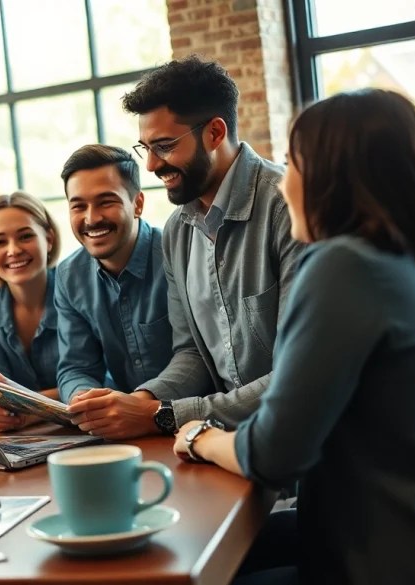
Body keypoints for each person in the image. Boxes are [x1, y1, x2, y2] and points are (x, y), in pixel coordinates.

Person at [172, 89, 415, 585]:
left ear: (333, 177)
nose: (283, 185)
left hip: (386, 564)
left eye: (292, 163)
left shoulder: (343, 267)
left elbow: (274, 454)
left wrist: (199, 438)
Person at [74, 56, 305, 438]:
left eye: (164, 146)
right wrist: (140, 401)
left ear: (215, 133)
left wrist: (160, 414)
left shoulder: (289, 209)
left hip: (301, 451)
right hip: (228, 446)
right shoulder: (178, 231)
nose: (149, 165)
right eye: (144, 147)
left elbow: (297, 376)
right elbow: (193, 355)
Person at [55, 144, 172, 440]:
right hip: (122, 431)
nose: (91, 219)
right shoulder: (69, 276)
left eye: (106, 202)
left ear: (137, 204)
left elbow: (197, 358)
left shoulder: (176, 256)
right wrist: (83, 398)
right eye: (78, 206)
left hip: (188, 420)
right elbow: (75, 366)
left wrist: (138, 405)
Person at [0, 192, 62, 431]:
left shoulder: (75, 288)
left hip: (86, 428)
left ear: (48, 239)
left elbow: (93, 380)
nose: (13, 250)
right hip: (22, 435)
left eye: (25, 236)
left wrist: (27, 410)